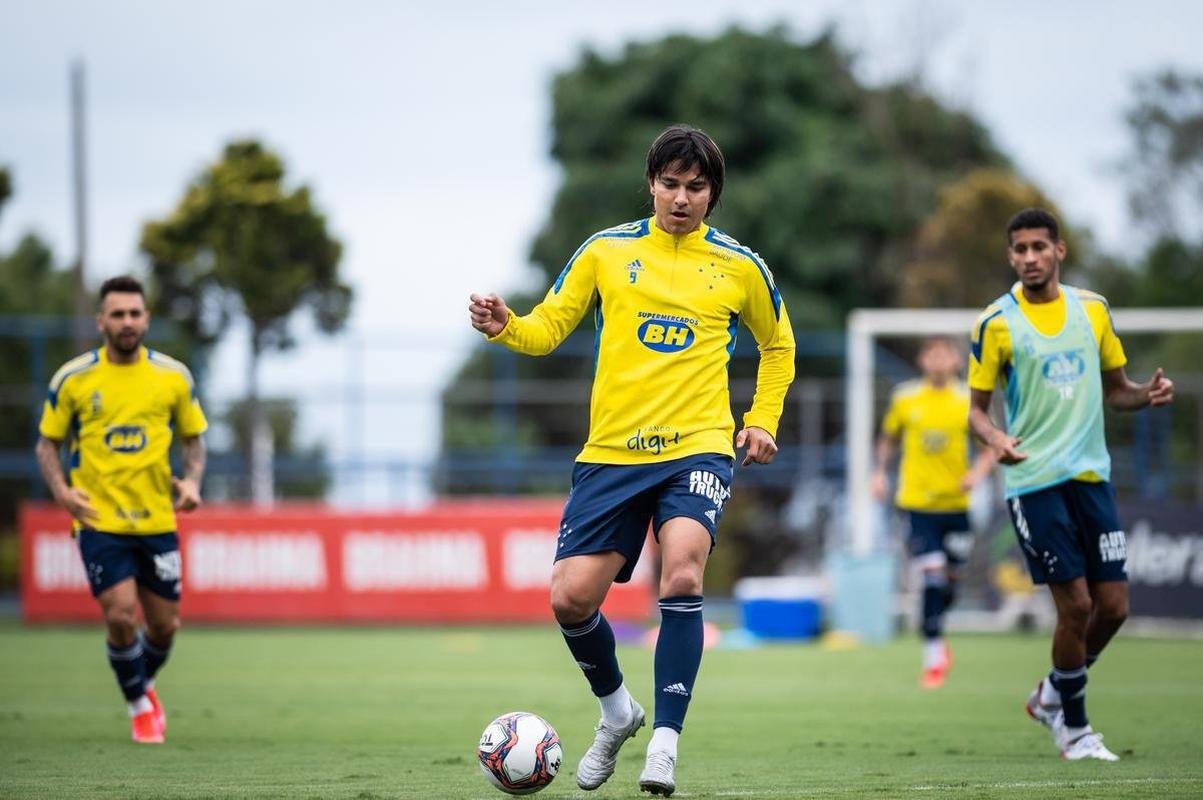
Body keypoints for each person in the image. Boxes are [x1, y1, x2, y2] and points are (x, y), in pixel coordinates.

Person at [469, 124, 795, 796]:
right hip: (612, 456)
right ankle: (618, 712)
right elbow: (549, 326)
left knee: (680, 574)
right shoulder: (605, 252)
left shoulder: (740, 266)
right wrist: (508, 327)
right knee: (568, 598)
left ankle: (666, 746)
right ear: (650, 184)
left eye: (695, 187)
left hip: (697, 448)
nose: (681, 197)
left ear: (713, 195)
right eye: (670, 183)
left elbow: (778, 346)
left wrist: (759, 422)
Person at [968, 208, 1173, 761]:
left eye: (1040, 247)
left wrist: (1145, 395)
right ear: (1011, 256)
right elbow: (976, 413)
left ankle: (1053, 692)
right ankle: (1076, 729)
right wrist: (995, 440)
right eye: (1020, 249)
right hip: (1033, 479)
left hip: (1091, 476)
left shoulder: (1093, 310)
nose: (1030, 257)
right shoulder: (997, 323)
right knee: (1076, 607)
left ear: (1060, 250)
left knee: (1115, 607)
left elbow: (1118, 390)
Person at [35, 275, 208, 744]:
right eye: (117, 314)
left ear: (147, 319)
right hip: (98, 519)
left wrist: (191, 482)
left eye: (135, 313)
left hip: (156, 519)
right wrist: (62, 493)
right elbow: (47, 444)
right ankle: (139, 709)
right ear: (101, 321)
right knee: (119, 614)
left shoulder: (173, 377)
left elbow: (194, 440)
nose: (127, 322)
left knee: (165, 626)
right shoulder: (73, 380)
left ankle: (141, 683)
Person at [870, 336, 994, 689]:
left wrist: (977, 475)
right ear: (923, 360)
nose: (938, 360)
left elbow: (990, 448)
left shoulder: (968, 400)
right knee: (932, 576)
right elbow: (888, 438)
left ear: (955, 360)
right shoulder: (906, 398)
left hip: (956, 506)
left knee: (950, 584)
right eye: (932, 354)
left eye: (945, 354)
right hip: (917, 504)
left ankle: (936, 633)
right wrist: (878, 473)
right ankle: (933, 656)